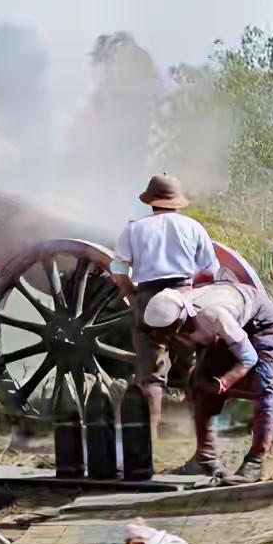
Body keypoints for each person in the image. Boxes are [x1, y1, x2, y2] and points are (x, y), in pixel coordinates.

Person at [140, 282, 273, 484]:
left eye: (166, 333)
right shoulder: (172, 319)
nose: (162, 339)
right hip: (224, 322)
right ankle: (206, 459)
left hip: (259, 320)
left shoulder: (214, 315)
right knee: (201, 385)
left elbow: (249, 358)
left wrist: (224, 382)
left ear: (180, 321)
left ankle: (255, 461)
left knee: (264, 386)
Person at [111, 174, 219, 431]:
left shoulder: (134, 229)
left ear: (151, 202)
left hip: (149, 300)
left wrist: (131, 294)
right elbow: (211, 271)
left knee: (151, 375)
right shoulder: (194, 228)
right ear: (178, 202)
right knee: (192, 369)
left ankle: (149, 441)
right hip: (186, 300)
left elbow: (117, 269)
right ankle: (199, 436)